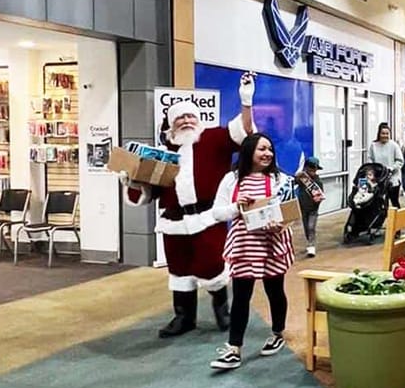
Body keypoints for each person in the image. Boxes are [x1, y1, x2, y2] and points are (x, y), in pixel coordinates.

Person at [122, 72, 256, 338]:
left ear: (198, 119)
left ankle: (222, 310)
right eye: (179, 117)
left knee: (211, 265)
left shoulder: (214, 139)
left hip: (208, 217)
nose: (185, 121)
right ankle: (184, 317)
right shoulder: (163, 152)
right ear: (171, 123)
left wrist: (246, 100)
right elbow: (148, 193)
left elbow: (245, 132)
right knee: (179, 269)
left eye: (190, 116)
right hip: (174, 221)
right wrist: (131, 179)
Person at [209, 133, 294, 370]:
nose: (267, 153)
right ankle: (234, 348)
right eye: (261, 149)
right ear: (248, 151)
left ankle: (277, 333)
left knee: (275, 291)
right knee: (241, 297)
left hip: (272, 243)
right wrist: (237, 207)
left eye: (269, 149)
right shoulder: (231, 179)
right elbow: (217, 213)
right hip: (244, 245)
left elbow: (290, 212)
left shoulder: (281, 179)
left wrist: (281, 223)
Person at [367, 123, 403, 209]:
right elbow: (370, 159)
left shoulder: (394, 145)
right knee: (381, 202)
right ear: (379, 134)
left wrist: (392, 168)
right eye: (383, 133)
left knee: (394, 201)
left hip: (392, 179)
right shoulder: (373, 146)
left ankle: (398, 220)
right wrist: (372, 170)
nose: (385, 135)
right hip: (379, 179)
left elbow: (400, 161)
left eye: (387, 133)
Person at [296, 156, 324, 258]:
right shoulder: (303, 179)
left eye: (314, 169)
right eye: (310, 168)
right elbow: (294, 182)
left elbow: (320, 195)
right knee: (306, 227)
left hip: (313, 208)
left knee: (311, 227)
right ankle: (309, 242)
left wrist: (318, 201)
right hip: (303, 207)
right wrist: (297, 177)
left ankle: (311, 245)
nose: (313, 171)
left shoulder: (318, 181)